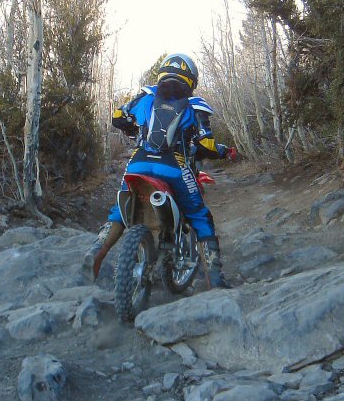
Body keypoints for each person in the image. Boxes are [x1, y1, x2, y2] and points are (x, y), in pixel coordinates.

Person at [86, 52, 238, 288]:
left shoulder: (146, 96)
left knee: (120, 210)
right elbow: (205, 144)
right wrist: (223, 151)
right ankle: (216, 280)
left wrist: (132, 128)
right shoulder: (195, 106)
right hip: (174, 166)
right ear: (191, 79)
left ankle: (96, 252)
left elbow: (118, 117)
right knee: (199, 215)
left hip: (137, 163)